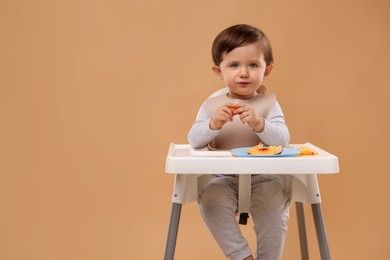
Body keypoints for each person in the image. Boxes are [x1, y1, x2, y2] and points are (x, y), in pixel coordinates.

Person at [188, 24, 291, 260]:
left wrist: (260, 124)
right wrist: (213, 124)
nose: (243, 73)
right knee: (210, 198)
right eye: (234, 65)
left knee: (274, 205)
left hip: (264, 176)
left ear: (267, 70)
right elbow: (193, 140)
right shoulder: (211, 106)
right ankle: (242, 256)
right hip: (223, 176)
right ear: (218, 71)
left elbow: (284, 140)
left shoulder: (269, 104)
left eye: (253, 65)